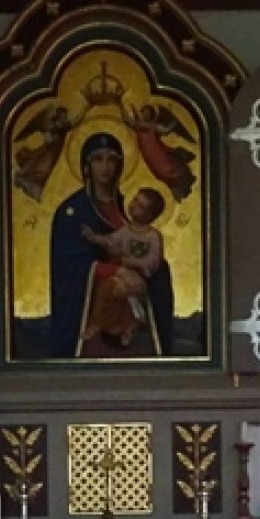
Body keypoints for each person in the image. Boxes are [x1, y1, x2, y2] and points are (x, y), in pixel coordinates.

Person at [36, 131, 179, 359]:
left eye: (112, 160)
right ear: (86, 166)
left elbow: (151, 255)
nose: (105, 167)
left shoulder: (129, 208)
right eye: (98, 159)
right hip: (90, 314)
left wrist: (148, 270)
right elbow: (69, 265)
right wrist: (118, 270)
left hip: (134, 304)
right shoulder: (72, 212)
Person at [76, 187, 169, 355]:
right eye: (135, 200)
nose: (134, 206)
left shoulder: (153, 236)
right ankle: (126, 325)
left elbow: (154, 261)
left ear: (150, 215)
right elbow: (110, 241)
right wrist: (92, 236)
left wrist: (132, 261)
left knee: (109, 289)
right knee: (114, 294)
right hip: (124, 274)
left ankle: (99, 323)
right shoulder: (126, 230)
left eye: (141, 206)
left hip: (141, 278)